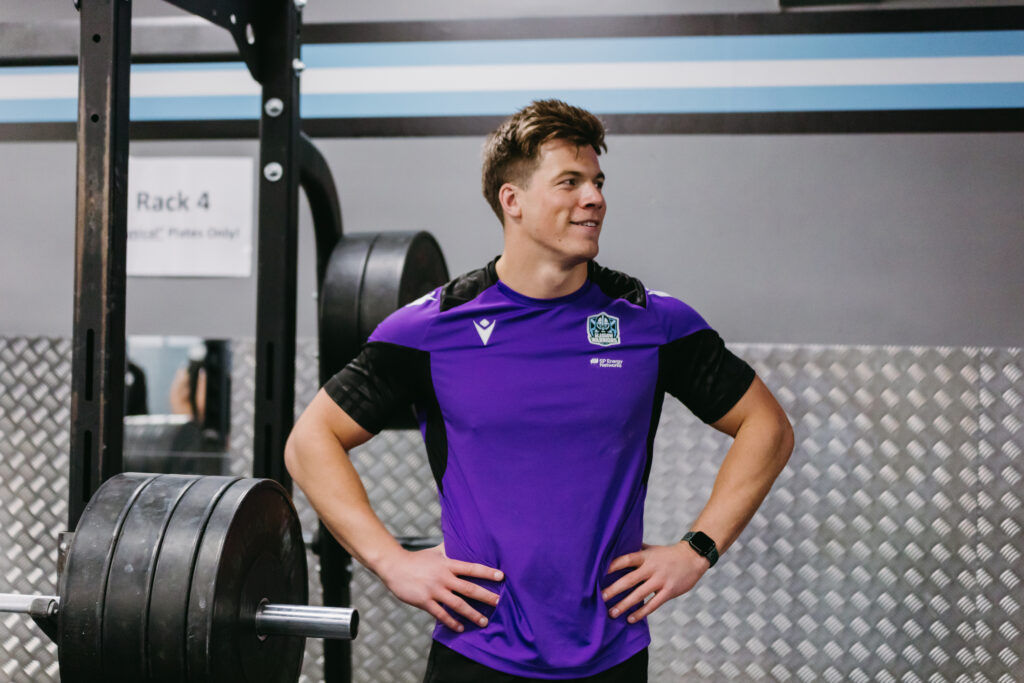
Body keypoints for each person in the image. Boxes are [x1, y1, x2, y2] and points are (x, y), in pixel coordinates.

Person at [285, 99, 794, 682]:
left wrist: (697, 550)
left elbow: (768, 428)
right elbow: (310, 442)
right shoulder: (433, 327)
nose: (594, 198)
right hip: (477, 650)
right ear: (513, 200)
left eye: (598, 182)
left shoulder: (652, 322)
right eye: (570, 182)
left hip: (612, 653)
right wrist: (391, 562)